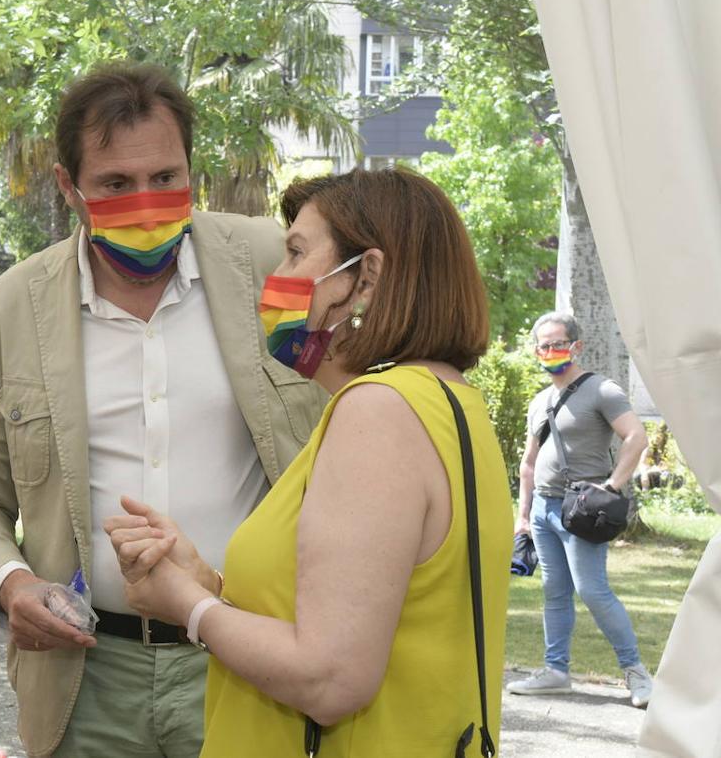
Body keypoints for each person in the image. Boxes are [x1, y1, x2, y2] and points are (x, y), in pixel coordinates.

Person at [0, 62, 325, 757]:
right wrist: (11, 582)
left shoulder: (273, 261)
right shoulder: (7, 310)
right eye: (115, 184)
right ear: (69, 186)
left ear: (191, 173)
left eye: (165, 179)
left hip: (251, 653)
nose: (145, 203)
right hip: (87, 678)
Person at [106, 168, 513, 756]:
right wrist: (210, 585)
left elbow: (330, 677)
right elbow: (369, 612)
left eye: (296, 252)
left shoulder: (376, 413)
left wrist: (186, 608)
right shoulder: (445, 401)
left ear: (366, 277)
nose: (277, 278)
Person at [507, 311, 653, 706]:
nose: (550, 351)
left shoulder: (601, 390)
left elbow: (636, 437)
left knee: (592, 590)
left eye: (558, 343)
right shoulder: (540, 401)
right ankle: (556, 672)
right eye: (544, 345)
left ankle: (637, 674)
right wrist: (523, 516)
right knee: (554, 592)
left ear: (576, 346)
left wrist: (611, 486)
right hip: (542, 510)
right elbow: (529, 462)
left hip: (582, 510)